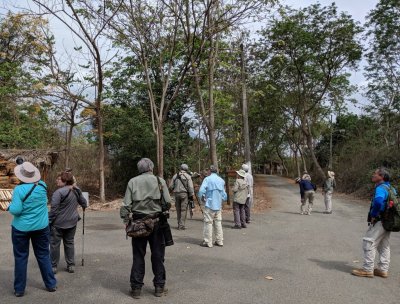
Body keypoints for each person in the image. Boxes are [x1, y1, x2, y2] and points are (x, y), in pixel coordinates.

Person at [0, 162, 57, 297]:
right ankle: (51, 284)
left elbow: (17, 210)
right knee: (43, 255)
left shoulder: (19, 190)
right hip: (41, 227)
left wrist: (8, 207)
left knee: (21, 257)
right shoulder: (43, 186)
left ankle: (19, 289)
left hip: (21, 228)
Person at [120, 158, 172, 299]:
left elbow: (125, 205)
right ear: (151, 167)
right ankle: (159, 287)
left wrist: (126, 221)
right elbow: (167, 202)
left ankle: (136, 289)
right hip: (157, 223)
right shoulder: (159, 181)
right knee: (157, 255)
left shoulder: (132, 181)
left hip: (138, 223)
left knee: (138, 255)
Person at [352, 167, 395, 278]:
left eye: (375, 174)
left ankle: (367, 269)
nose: (373, 175)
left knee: (369, 242)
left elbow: (378, 202)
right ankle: (382, 270)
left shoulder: (380, 188)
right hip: (388, 221)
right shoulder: (391, 188)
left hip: (380, 220)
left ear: (381, 177)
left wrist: (374, 215)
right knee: (383, 245)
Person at [49, 171, 87, 274]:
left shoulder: (58, 193)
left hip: (58, 223)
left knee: (54, 244)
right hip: (72, 222)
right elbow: (84, 204)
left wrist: (49, 221)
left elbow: (54, 210)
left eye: (59, 179)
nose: (56, 180)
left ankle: (53, 266)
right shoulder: (76, 190)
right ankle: (71, 265)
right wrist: (78, 191)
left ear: (65, 181)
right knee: (69, 242)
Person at [198, 165, 227, 248]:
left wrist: (202, 197)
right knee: (218, 222)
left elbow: (201, 191)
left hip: (209, 204)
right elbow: (224, 195)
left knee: (208, 222)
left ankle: (208, 242)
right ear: (216, 171)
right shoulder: (221, 180)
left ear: (210, 171)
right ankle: (219, 241)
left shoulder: (207, 179)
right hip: (218, 204)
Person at [169, 164, 194, 230]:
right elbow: (191, 187)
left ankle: (179, 224)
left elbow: (170, 186)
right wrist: (191, 195)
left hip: (176, 194)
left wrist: (174, 189)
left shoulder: (175, 175)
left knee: (178, 209)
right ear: (186, 169)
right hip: (184, 194)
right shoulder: (188, 176)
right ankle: (181, 225)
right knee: (183, 210)